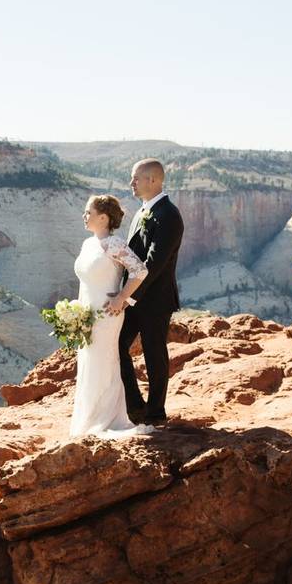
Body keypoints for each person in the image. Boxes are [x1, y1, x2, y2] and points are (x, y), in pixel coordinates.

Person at [70, 194, 153, 438]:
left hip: (107, 314)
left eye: (88, 212)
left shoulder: (113, 244)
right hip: (87, 312)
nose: (84, 216)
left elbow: (140, 270)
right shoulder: (88, 244)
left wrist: (123, 298)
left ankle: (106, 417)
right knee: (88, 362)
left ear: (103, 217)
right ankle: (88, 418)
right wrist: (76, 310)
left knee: (103, 362)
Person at [118, 158, 184, 424]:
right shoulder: (141, 211)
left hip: (155, 299)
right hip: (135, 297)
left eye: (136, 178)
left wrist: (126, 296)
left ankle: (156, 412)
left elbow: (153, 265)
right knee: (117, 346)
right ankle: (135, 405)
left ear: (153, 180)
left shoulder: (169, 215)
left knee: (154, 352)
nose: (131, 183)